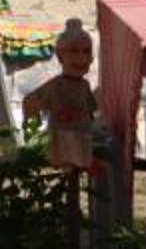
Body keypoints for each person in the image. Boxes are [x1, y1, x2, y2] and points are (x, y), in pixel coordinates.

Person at [21, 18, 102, 174]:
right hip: (61, 137)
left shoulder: (84, 85)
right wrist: (32, 131)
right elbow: (30, 101)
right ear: (60, 56)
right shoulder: (56, 85)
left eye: (86, 51)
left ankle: (83, 162)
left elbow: (91, 111)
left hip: (82, 136)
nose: (81, 58)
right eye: (74, 51)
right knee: (65, 156)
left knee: (80, 157)